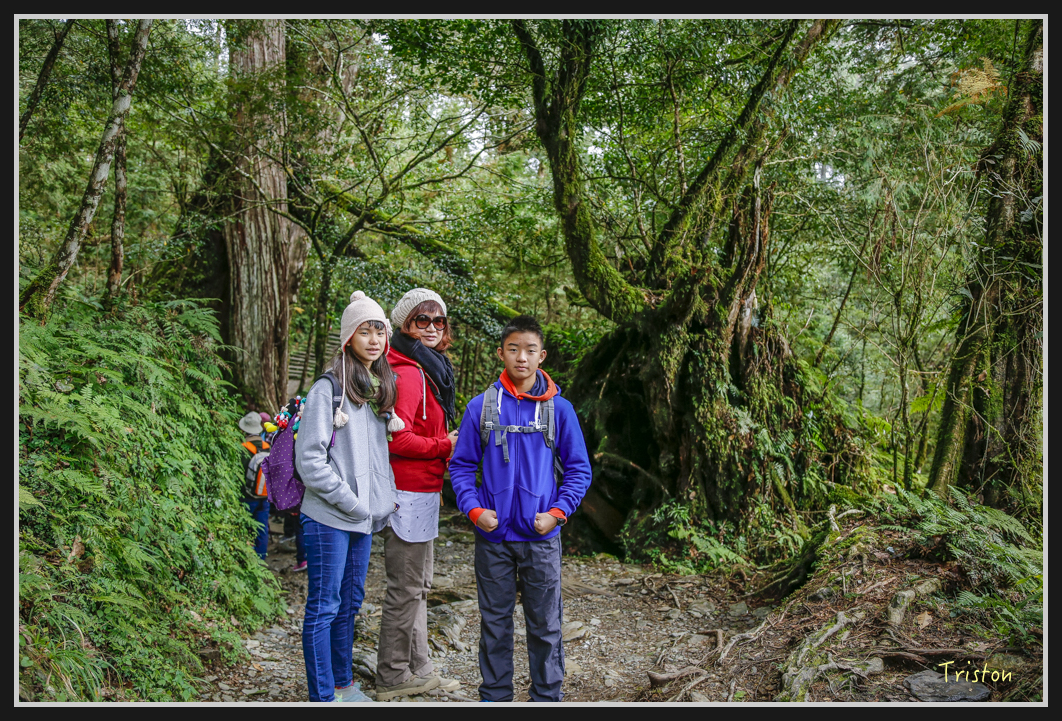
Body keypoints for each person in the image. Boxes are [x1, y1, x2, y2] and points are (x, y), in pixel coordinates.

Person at [449, 314, 592, 702]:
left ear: (542, 355)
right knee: (494, 624)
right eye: (513, 349)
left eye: (530, 350)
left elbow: (579, 470)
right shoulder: (480, 407)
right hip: (492, 536)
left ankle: (545, 698)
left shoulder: (559, 410)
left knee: (545, 624)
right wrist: (475, 511)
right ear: (501, 353)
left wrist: (557, 514)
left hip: (541, 537)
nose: (521, 358)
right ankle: (495, 698)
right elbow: (461, 466)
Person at [295, 290, 401, 703]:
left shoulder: (377, 388)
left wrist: (382, 499)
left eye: (380, 331)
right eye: (364, 331)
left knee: (350, 602)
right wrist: (353, 501)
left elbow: (377, 457)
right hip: (329, 516)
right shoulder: (328, 388)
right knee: (324, 605)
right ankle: (322, 697)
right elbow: (310, 461)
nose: (374, 340)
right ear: (348, 337)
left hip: (363, 518)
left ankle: (343, 685)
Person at [376, 289, 462, 701]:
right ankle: (392, 675)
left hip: (423, 489)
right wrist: (445, 446)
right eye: (421, 320)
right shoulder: (409, 373)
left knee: (419, 585)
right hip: (406, 490)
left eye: (438, 321)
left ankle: (419, 666)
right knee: (407, 587)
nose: (431, 328)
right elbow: (397, 438)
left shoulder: (427, 367)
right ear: (404, 324)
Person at [238, 411, 270, 560]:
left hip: (247, 496)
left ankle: (246, 558)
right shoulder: (267, 447)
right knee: (262, 528)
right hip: (265, 495)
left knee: (244, 527)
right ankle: (261, 560)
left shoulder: (243, 448)